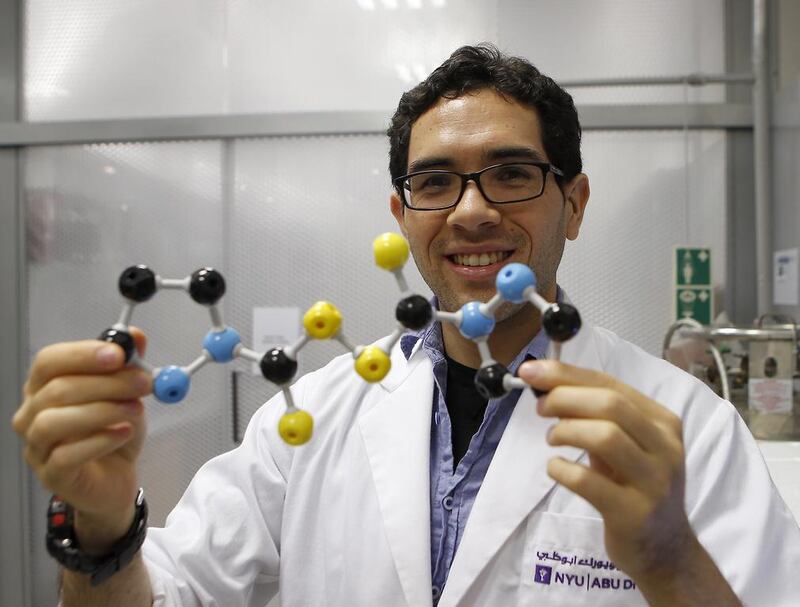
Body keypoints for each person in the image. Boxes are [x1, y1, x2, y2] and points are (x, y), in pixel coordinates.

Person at [12, 44, 800, 607]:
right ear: (402, 214)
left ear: (576, 203)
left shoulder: (688, 425)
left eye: (512, 173)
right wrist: (103, 525)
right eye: (435, 182)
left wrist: (668, 561)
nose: (471, 210)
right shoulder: (307, 419)